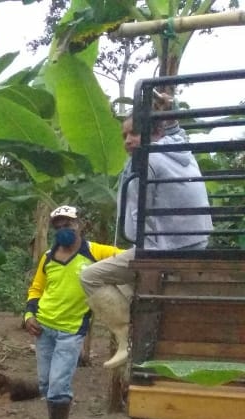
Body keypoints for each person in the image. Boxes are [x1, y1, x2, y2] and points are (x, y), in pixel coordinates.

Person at [79, 109, 212, 368]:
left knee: (90, 277)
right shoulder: (179, 151)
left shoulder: (146, 161)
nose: (128, 140)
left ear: (156, 133)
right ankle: (135, 326)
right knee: (125, 286)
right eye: (124, 135)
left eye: (135, 133)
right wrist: (170, 115)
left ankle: (126, 336)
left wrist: (139, 252)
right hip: (194, 241)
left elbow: (141, 213)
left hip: (165, 247)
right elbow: (176, 133)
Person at [25, 206, 120, 419]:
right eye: (58, 227)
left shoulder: (95, 252)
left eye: (67, 224)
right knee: (46, 384)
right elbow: (36, 289)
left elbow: (127, 258)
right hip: (43, 328)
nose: (63, 230)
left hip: (72, 330)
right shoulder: (48, 257)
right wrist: (29, 315)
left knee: (58, 385)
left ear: (80, 225)